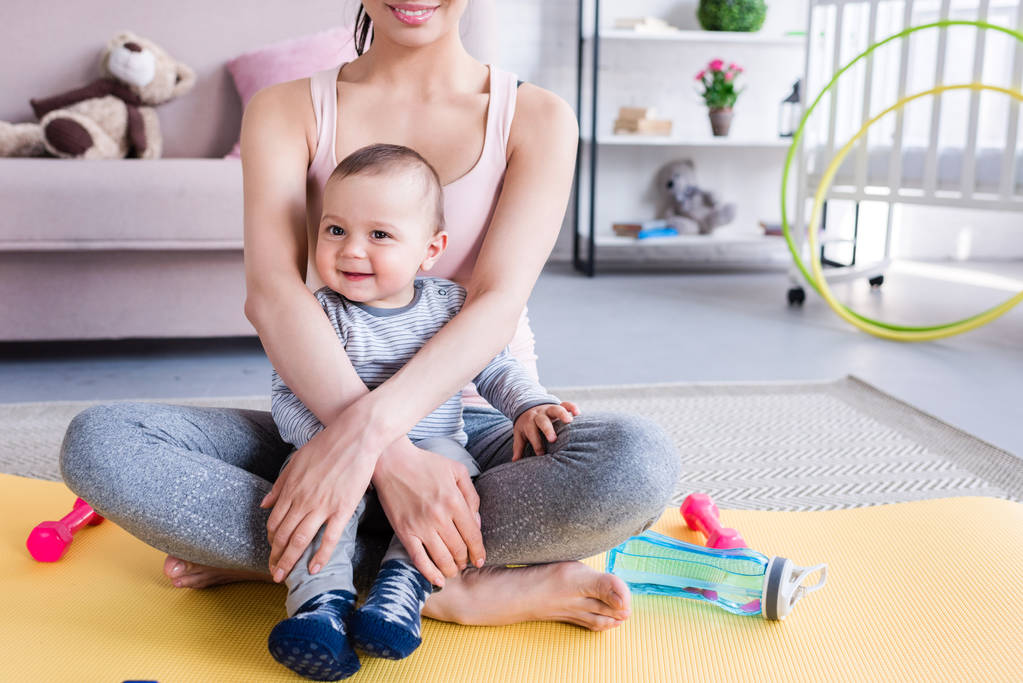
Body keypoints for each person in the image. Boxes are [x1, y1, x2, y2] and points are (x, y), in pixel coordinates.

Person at [59, 0, 680, 637]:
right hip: (320, 418)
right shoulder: (286, 108)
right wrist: (387, 459)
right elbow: (273, 294)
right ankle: (436, 582)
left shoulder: (538, 118)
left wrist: (374, 440)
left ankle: (312, 556)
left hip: (469, 434)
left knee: (636, 463)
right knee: (101, 443)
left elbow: (495, 303)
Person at [267, 142, 579, 680]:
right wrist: (323, 446)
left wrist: (530, 404)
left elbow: (496, 368)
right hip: (335, 451)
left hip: (433, 453)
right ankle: (320, 607)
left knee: (458, 486)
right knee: (313, 504)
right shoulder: (318, 313)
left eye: (379, 235)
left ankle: (400, 591)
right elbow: (287, 398)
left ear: (430, 249)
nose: (351, 252)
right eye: (335, 230)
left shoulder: (449, 304)